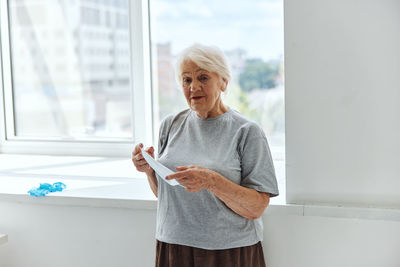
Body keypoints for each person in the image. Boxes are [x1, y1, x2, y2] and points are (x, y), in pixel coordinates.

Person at [132, 44, 279, 267]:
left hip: (228, 251)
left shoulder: (247, 131)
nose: (194, 87)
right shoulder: (170, 125)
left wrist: (211, 181)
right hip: (173, 246)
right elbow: (167, 195)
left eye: (203, 78)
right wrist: (150, 171)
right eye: (187, 80)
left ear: (223, 82)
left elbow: (257, 207)